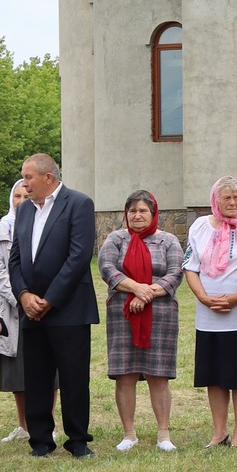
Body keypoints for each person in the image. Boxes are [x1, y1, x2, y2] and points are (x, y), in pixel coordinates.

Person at [10, 155, 98, 460]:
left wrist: (49, 299)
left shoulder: (78, 204)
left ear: (48, 177)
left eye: (29, 177)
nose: (24, 184)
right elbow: (15, 258)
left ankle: (78, 440)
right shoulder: (24, 210)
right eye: (23, 177)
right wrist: (24, 295)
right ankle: (40, 441)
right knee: (36, 376)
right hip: (31, 309)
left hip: (69, 308)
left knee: (74, 377)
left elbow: (79, 256)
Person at [98, 192, 184, 452]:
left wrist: (145, 295)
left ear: (153, 213)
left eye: (143, 210)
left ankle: (164, 435)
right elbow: (107, 269)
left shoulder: (168, 240)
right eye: (132, 210)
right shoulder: (115, 239)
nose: (137, 215)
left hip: (160, 315)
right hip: (123, 314)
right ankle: (129, 434)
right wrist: (136, 288)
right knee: (125, 374)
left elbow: (175, 273)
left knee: (159, 374)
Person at [183, 179, 237, 446]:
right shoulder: (199, 226)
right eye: (226, 198)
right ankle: (219, 432)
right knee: (214, 375)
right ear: (215, 200)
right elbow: (190, 266)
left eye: (236, 197)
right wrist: (204, 298)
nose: (232, 202)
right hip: (209, 317)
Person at [0, 181, 33, 442]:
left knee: (47, 370)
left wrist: (39, 299)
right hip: (13, 307)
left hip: (41, 306)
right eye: (17, 196)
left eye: (27, 196)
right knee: (17, 371)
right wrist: (21, 297)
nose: (21, 200)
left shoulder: (44, 225)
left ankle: (47, 422)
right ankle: (23, 425)